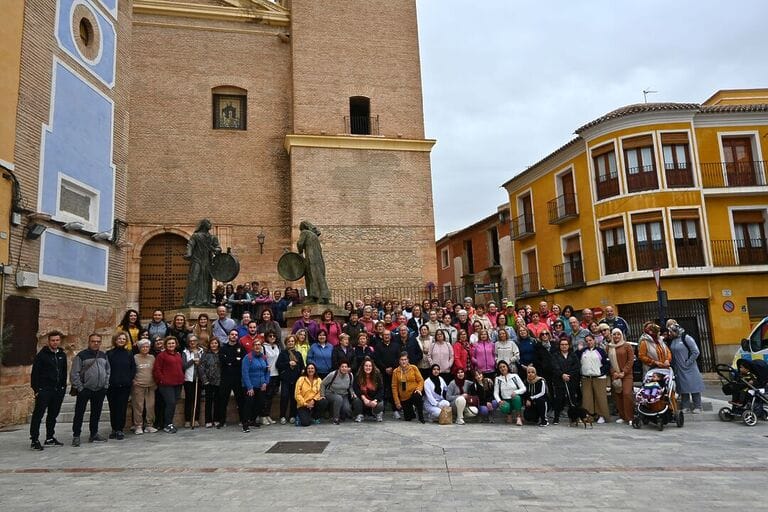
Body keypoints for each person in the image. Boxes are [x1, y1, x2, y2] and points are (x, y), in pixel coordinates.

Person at [29, 331, 68, 450]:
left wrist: (63, 387)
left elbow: (64, 372)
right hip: (44, 390)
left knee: (53, 415)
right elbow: (35, 374)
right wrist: (37, 389)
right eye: (53, 340)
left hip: (57, 391)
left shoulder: (62, 355)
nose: (55, 342)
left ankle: (50, 438)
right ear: (48, 341)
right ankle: (34, 439)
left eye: (57, 340)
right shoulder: (41, 355)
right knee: (38, 415)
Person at [70, 333, 111, 446]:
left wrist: (105, 385)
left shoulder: (103, 355)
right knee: (79, 413)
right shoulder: (81, 355)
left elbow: (108, 370)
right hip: (85, 389)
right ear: (89, 342)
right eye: (93, 341)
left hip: (100, 389)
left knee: (96, 413)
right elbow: (74, 373)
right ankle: (76, 435)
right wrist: (80, 388)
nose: (96, 343)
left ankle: (94, 434)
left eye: (98, 341)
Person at [667, 321, 705, 414]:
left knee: (694, 387)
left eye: (671, 332)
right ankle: (685, 406)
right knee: (683, 388)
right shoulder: (673, 340)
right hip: (679, 368)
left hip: (690, 368)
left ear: (676, 331)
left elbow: (695, 351)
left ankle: (698, 406)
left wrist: (688, 362)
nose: (669, 334)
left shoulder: (686, 338)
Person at [183, 218, 222, 306]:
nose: (210, 225)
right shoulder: (196, 236)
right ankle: (191, 300)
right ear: (203, 225)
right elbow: (190, 244)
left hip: (208, 261)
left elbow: (218, 248)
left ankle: (206, 300)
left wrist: (215, 249)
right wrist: (189, 254)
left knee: (206, 280)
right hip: (197, 260)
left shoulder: (212, 238)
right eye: (208, 223)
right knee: (194, 279)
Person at [106, 333, 136, 440]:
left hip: (124, 385)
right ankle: (114, 429)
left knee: (121, 408)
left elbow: (133, 368)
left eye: (124, 339)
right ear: (115, 340)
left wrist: (129, 379)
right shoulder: (109, 354)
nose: (121, 340)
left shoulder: (129, 353)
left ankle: (120, 429)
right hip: (111, 385)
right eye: (119, 338)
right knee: (112, 408)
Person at [153, 336, 184, 434]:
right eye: (169, 343)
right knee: (170, 403)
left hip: (177, 383)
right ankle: (167, 424)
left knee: (173, 403)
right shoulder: (161, 356)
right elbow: (157, 370)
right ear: (166, 345)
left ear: (176, 344)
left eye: (173, 343)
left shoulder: (178, 355)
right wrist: (162, 380)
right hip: (166, 384)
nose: (171, 345)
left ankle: (169, 423)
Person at [578, 334, 610, 424]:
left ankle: (602, 415)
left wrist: (601, 371)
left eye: (590, 340)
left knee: (600, 398)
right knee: (587, 398)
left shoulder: (600, 351)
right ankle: (588, 416)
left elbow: (607, 363)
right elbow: (577, 361)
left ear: (594, 340)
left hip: (599, 378)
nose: (589, 342)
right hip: (586, 378)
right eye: (587, 341)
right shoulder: (582, 352)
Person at [218, 329, 246, 428]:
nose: (234, 336)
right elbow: (222, 360)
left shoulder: (241, 348)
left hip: (238, 378)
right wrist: (234, 360)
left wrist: (230, 361)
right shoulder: (223, 348)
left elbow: (242, 361)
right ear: (229, 336)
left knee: (240, 400)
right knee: (223, 400)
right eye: (232, 334)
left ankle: (243, 420)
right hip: (225, 377)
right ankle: (221, 421)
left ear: (238, 337)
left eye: (236, 335)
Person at [297, 220, 330, 303]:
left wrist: (300, 253)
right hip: (318, 259)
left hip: (311, 258)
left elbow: (300, 244)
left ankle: (313, 296)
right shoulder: (314, 236)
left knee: (311, 276)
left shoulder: (305, 232)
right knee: (320, 276)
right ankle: (324, 297)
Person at [607, 328, 634, 424]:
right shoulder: (609, 347)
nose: (616, 336)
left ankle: (630, 417)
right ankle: (622, 416)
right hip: (615, 375)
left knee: (627, 394)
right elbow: (608, 362)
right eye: (614, 334)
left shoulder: (627, 346)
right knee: (618, 395)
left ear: (621, 335)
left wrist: (624, 372)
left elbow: (630, 360)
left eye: (618, 334)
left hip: (626, 375)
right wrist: (613, 372)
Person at [241, 340, 269, 432]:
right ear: (252, 347)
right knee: (248, 404)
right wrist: (249, 387)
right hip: (250, 386)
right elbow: (245, 373)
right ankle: (245, 424)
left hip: (261, 385)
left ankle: (252, 420)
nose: (257, 346)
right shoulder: (247, 357)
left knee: (260, 403)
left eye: (259, 345)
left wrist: (265, 382)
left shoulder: (264, 357)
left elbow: (267, 370)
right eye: (255, 345)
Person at [550, 336, 580, 425]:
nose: (564, 346)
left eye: (566, 344)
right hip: (559, 380)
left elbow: (577, 367)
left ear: (568, 345)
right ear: (559, 345)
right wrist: (561, 375)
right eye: (562, 344)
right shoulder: (555, 355)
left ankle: (574, 418)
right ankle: (556, 417)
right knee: (559, 399)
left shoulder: (573, 354)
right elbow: (554, 367)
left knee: (572, 399)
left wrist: (569, 375)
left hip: (571, 380)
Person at [276, 335, 305, 424]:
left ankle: (292, 415)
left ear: (295, 342)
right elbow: (278, 365)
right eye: (289, 341)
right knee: (284, 397)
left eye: (292, 341)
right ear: (286, 343)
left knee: (294, 398)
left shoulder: (298, 354)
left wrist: (302, 370)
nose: (291, 343)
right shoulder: (283, 353)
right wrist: (288, 363)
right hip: (285, 379)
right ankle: (282, 416)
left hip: (295, 379)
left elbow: (302, 366)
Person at [132, 339, 157, 434]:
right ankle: (138, 425)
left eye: (147, 347)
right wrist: (133, 381)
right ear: (139, 348)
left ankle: (149, 425)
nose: (145, 348)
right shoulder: (135, 357)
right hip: (138, 385)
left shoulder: (152, 357)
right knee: (138, 406)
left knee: (150, 406)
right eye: (143, 347)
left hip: (151, 385)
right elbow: (131, 369)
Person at [392, 352, 425, 423]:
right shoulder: (395, 371)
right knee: (408, 418)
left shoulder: (413, 368)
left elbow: (421, 380)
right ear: (399, 361)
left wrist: (419, 389)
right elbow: (394, 387)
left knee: (418, 396)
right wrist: (397, 402)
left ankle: (421, 416)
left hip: (414, 392)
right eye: (401, 360)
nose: (403, 361)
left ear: (408, 360)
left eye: (405, 359)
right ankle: (412, 410)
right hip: (404, 397)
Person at [321, 360, 357, 424]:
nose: (344, 368)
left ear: (348, 368)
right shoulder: (333, 374)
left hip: (344, 395)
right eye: (342, 367)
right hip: (331, 393)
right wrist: (322, 395)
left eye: (346, 367)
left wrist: (352, 393)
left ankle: (337, 413)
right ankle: (336, 418)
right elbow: (323, 384)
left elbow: (350, 386)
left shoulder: (350, 375)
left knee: (347, 409)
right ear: (339, 368)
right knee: (338, 399)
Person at [352, 358, 385, 422]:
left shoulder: (377, 376)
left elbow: (381, 390)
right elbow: (356, 389)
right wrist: (364, 399)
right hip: (363, 399)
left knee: (380, 404)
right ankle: (360, 415)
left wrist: (375, 400)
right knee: (356, 400)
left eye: (370, 366)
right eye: (366, 366)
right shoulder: (358, 376)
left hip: (373, 399)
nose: (368, 367)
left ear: (372, 367)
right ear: (363, 367)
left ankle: (376, 413)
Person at [494, 360, 526, 425]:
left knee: (516, 398)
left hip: (515, 400)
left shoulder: (515, 376)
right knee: (504, 407)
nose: (502, 368)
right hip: (506, 400)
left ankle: (518, 417)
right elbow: (496, 393)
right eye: (500, 367)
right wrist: (499, 401)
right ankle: (509, 415)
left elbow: (524, 388)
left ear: (507, 367)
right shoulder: (498, 379)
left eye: (504, 366)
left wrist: (516, 392)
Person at [181, 335, 204, 428]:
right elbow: (183, 366)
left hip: (198, 378)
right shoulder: (185, 352)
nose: (192, 343)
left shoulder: (202, 351)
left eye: (194, 341)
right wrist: (193, 361)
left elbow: (204, 364)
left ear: (197, 341)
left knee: (197, 399)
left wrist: (199, 363)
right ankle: (187, 420)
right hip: (188, 379)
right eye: (190, 341)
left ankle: (196, 419)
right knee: (189, 399)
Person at [201, 337, 222, 428]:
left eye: (215, 343)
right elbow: (201, 367)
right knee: (208, 401)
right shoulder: (206, 354)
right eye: (212, 343)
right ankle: (208, 420)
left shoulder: (221, 354)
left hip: (219, 381)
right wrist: (205, 380)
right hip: (208, 381)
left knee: (218, 401)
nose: (214, 345)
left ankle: (217, 419)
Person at [261, 331, 282, 425]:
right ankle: (262, 416)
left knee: (271, 396)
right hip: (267, 374)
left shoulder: (277, 347)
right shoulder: (263, 347)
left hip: (276, 374)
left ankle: (267, 414)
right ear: (266, 337)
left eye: (274, 336)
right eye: (270, 336)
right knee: (265, 396)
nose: (272, 337)